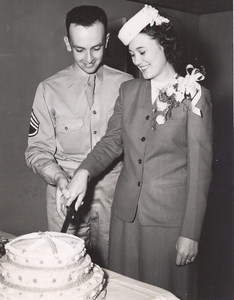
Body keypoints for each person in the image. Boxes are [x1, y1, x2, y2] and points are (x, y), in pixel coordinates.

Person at [59, 5, 213, 299]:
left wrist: (190, 233)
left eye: (143, 51)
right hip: (125, 219)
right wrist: (84, 172)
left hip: (169, 224)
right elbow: (111, 141)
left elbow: (201, 171)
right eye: (132, 54)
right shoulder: (129, 92)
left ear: (164, 44)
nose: (137, 61)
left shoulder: (195, 95)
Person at [25, 5, 133, 268]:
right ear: (67, 43)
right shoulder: (48, 90)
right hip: (64, 199)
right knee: (67, 271)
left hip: (113, 199)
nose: (88, 58)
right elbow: (36, 151)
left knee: (114, 272)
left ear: (106, 41)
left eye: (96, 48)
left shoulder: (128, 84)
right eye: (79, 49)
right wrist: (59, 178)